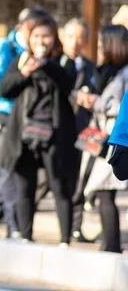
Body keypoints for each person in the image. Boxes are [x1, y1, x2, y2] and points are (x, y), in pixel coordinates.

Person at [0, 15, 79, 246]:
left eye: (46, 36)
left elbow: (67, 84)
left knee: (59, 186)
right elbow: (4, 89)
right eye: (36, 36)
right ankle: (26, 236)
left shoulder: (63, 62)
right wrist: (24, 73)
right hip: (24, 133)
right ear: (29, 38)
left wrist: (46, 64)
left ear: (54, 39)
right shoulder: (21, 60)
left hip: (55, 135)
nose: (41, 41)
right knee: (26, 186)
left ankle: (65, 240)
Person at [0, 7, 53, 238]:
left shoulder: (31, 50)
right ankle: (12, 225)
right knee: (10, 173)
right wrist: (9, 108)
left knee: (19, 175)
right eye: (36, 32)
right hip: (5, 119)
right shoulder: (4, 48)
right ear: (27, 28)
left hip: (24, 122)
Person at [36, 18, 96, 242]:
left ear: (86, 40)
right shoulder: (53, 62)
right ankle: (3, 213)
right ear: (62, 37)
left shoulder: (90, 66)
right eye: (71, 36)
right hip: (54, 129)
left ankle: (74, 228)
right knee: (47, 180)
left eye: (80, 37)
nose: (75, 42)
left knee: (77, 180)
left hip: (81, 130)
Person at [75, 24, 128, 253]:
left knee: (104, 190)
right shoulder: (106, 70)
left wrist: (98, 102)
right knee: (102, 191)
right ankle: (109, 243)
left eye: (101, 44)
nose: (98, 48)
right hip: (101, 138)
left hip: (116, 139)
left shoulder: (125, 72)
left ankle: (111, 246)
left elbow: (122, 107)